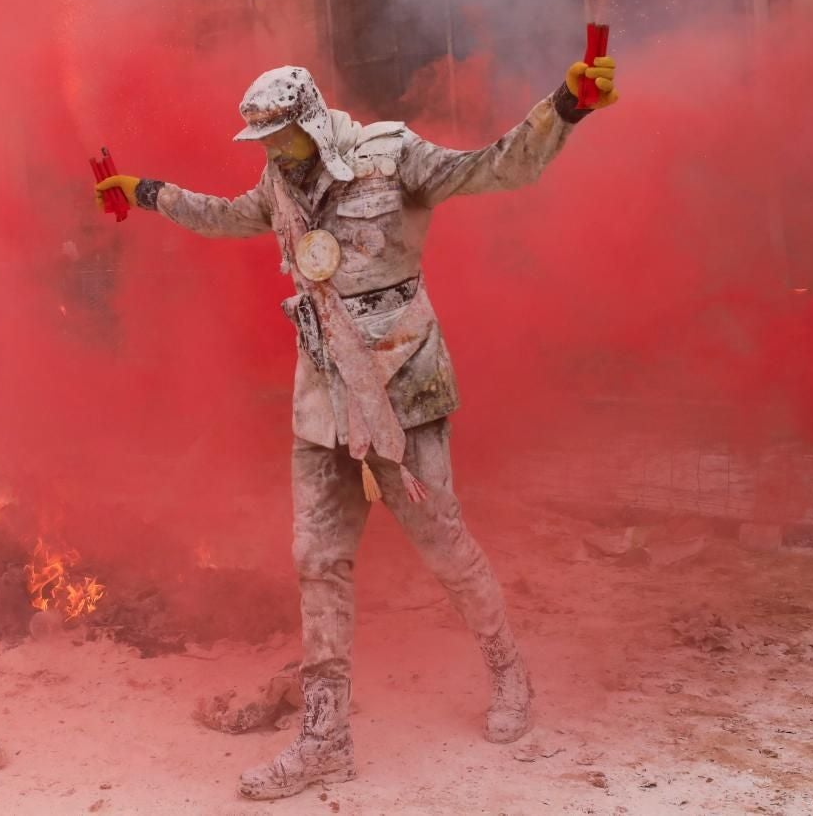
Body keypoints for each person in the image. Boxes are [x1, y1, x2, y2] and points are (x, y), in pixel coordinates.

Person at [95, 55, 619, 798]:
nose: (272, 151)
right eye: (262, 140)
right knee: (317, 559)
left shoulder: (392, 154)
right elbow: (225, 214)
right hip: (323, 403)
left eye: (281, 134)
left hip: (403, 392)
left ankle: (510, 675)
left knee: (444, 545)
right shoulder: (281, 183)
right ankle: (324, 739)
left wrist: (567, 104)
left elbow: (496, 166)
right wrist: (145, 192)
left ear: (310, 118)